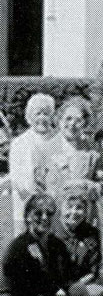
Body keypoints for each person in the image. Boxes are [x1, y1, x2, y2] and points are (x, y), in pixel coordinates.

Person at [36, 97, 101, 208]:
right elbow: (37, 187)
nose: (72, 124)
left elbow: (102, 186)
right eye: (68, 118)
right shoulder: (44, 150)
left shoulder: (92, 153)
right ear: (59, 120)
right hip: (54, 211)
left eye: (78, 120)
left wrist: (85, 185)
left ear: (85, 124)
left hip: (82, 212)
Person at [10, 93, 60, 236]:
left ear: (52, 116)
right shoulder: (19, 143)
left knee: (52, 241)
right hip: (26, 203)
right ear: (29, 117)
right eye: (38, 113)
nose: (42, 118)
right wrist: (33, 198)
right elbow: (16, 178)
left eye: (46, 113)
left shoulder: (59, 140)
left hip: (53, 203)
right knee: (26, 242)